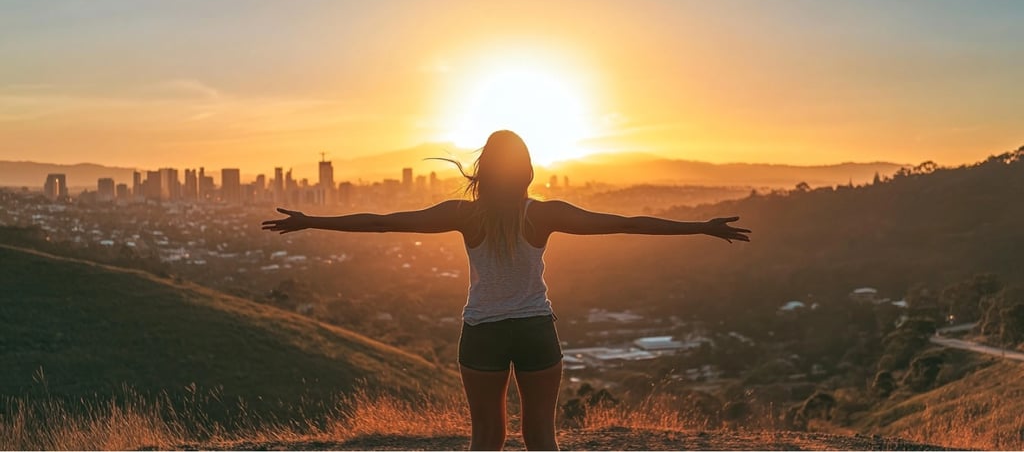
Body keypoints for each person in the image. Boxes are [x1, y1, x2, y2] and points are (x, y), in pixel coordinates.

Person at [261, 130, 751, 450]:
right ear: (527, 170)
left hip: (482, 334)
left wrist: (312, 221)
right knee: (542, 437)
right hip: (537, 330)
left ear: (484, 168)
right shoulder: (543, 213)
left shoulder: (464, 215)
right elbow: (627, 223)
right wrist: (700, 226)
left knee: (486, 440)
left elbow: (383, 222)